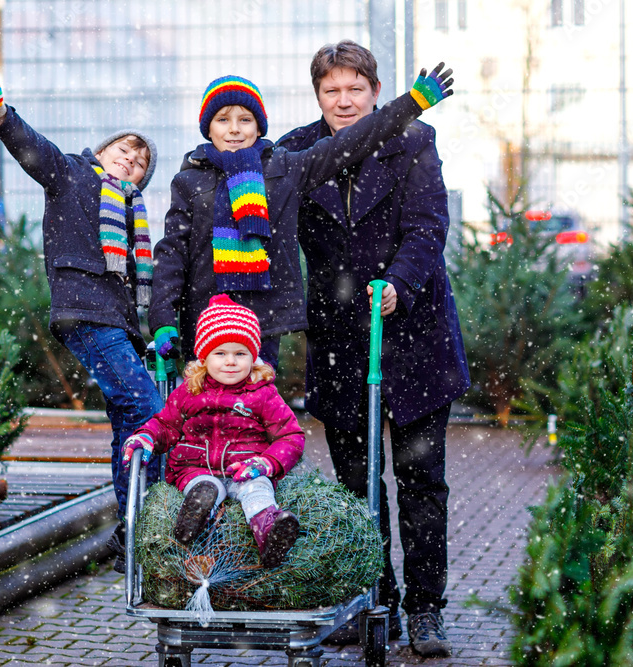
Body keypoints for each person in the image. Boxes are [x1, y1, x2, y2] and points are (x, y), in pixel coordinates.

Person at [275, 40, 470, 658]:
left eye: (355, 88)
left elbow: (427, 226)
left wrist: (402, 282)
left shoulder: (414, 141)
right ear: (318, 97)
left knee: (420, 481)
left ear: (376, 91)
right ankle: (375, 599)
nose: (344, 100)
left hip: (413, 337)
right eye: (332, 90)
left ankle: (426, 609)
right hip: (338, 343)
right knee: (356, 485)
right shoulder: (298, 149)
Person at [0, 61, 162, 572]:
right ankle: (151, 529)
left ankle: (133, 539)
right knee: (148, 411)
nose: (132, 160)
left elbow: (144, 285)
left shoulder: (133, 215)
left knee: (129, 425)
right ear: (101, 152)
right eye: (126, 149)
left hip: (115, 325)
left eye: (141, 162)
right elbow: (34, 151)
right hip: (84, 314)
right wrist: (0, 115)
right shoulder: (72, 174)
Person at [148, 67, 453, 371]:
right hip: (205, 319)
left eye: (245, 119)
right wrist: (162, 319)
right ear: (209, 128)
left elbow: (350, 143)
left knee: (255, 410)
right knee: (206, 413)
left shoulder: (284, 169)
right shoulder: (188, 181)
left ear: (258, 126)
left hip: (261, 321)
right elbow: (172, 253)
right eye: (223, 120)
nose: (234, 129)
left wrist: (411, 103)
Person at [122, 295, 304, 567]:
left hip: (244, 468)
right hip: (195, 467)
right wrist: (147, 437)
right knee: (205, 487)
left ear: (253, 358)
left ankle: (270, 533)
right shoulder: (190, 391)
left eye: (240, 353)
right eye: (221, 353)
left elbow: (290, 436)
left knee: (257, 491)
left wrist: (266, 462)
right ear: (204, 358)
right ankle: (196, 517)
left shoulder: (262, 394)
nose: (231, 362)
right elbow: (166, 424)